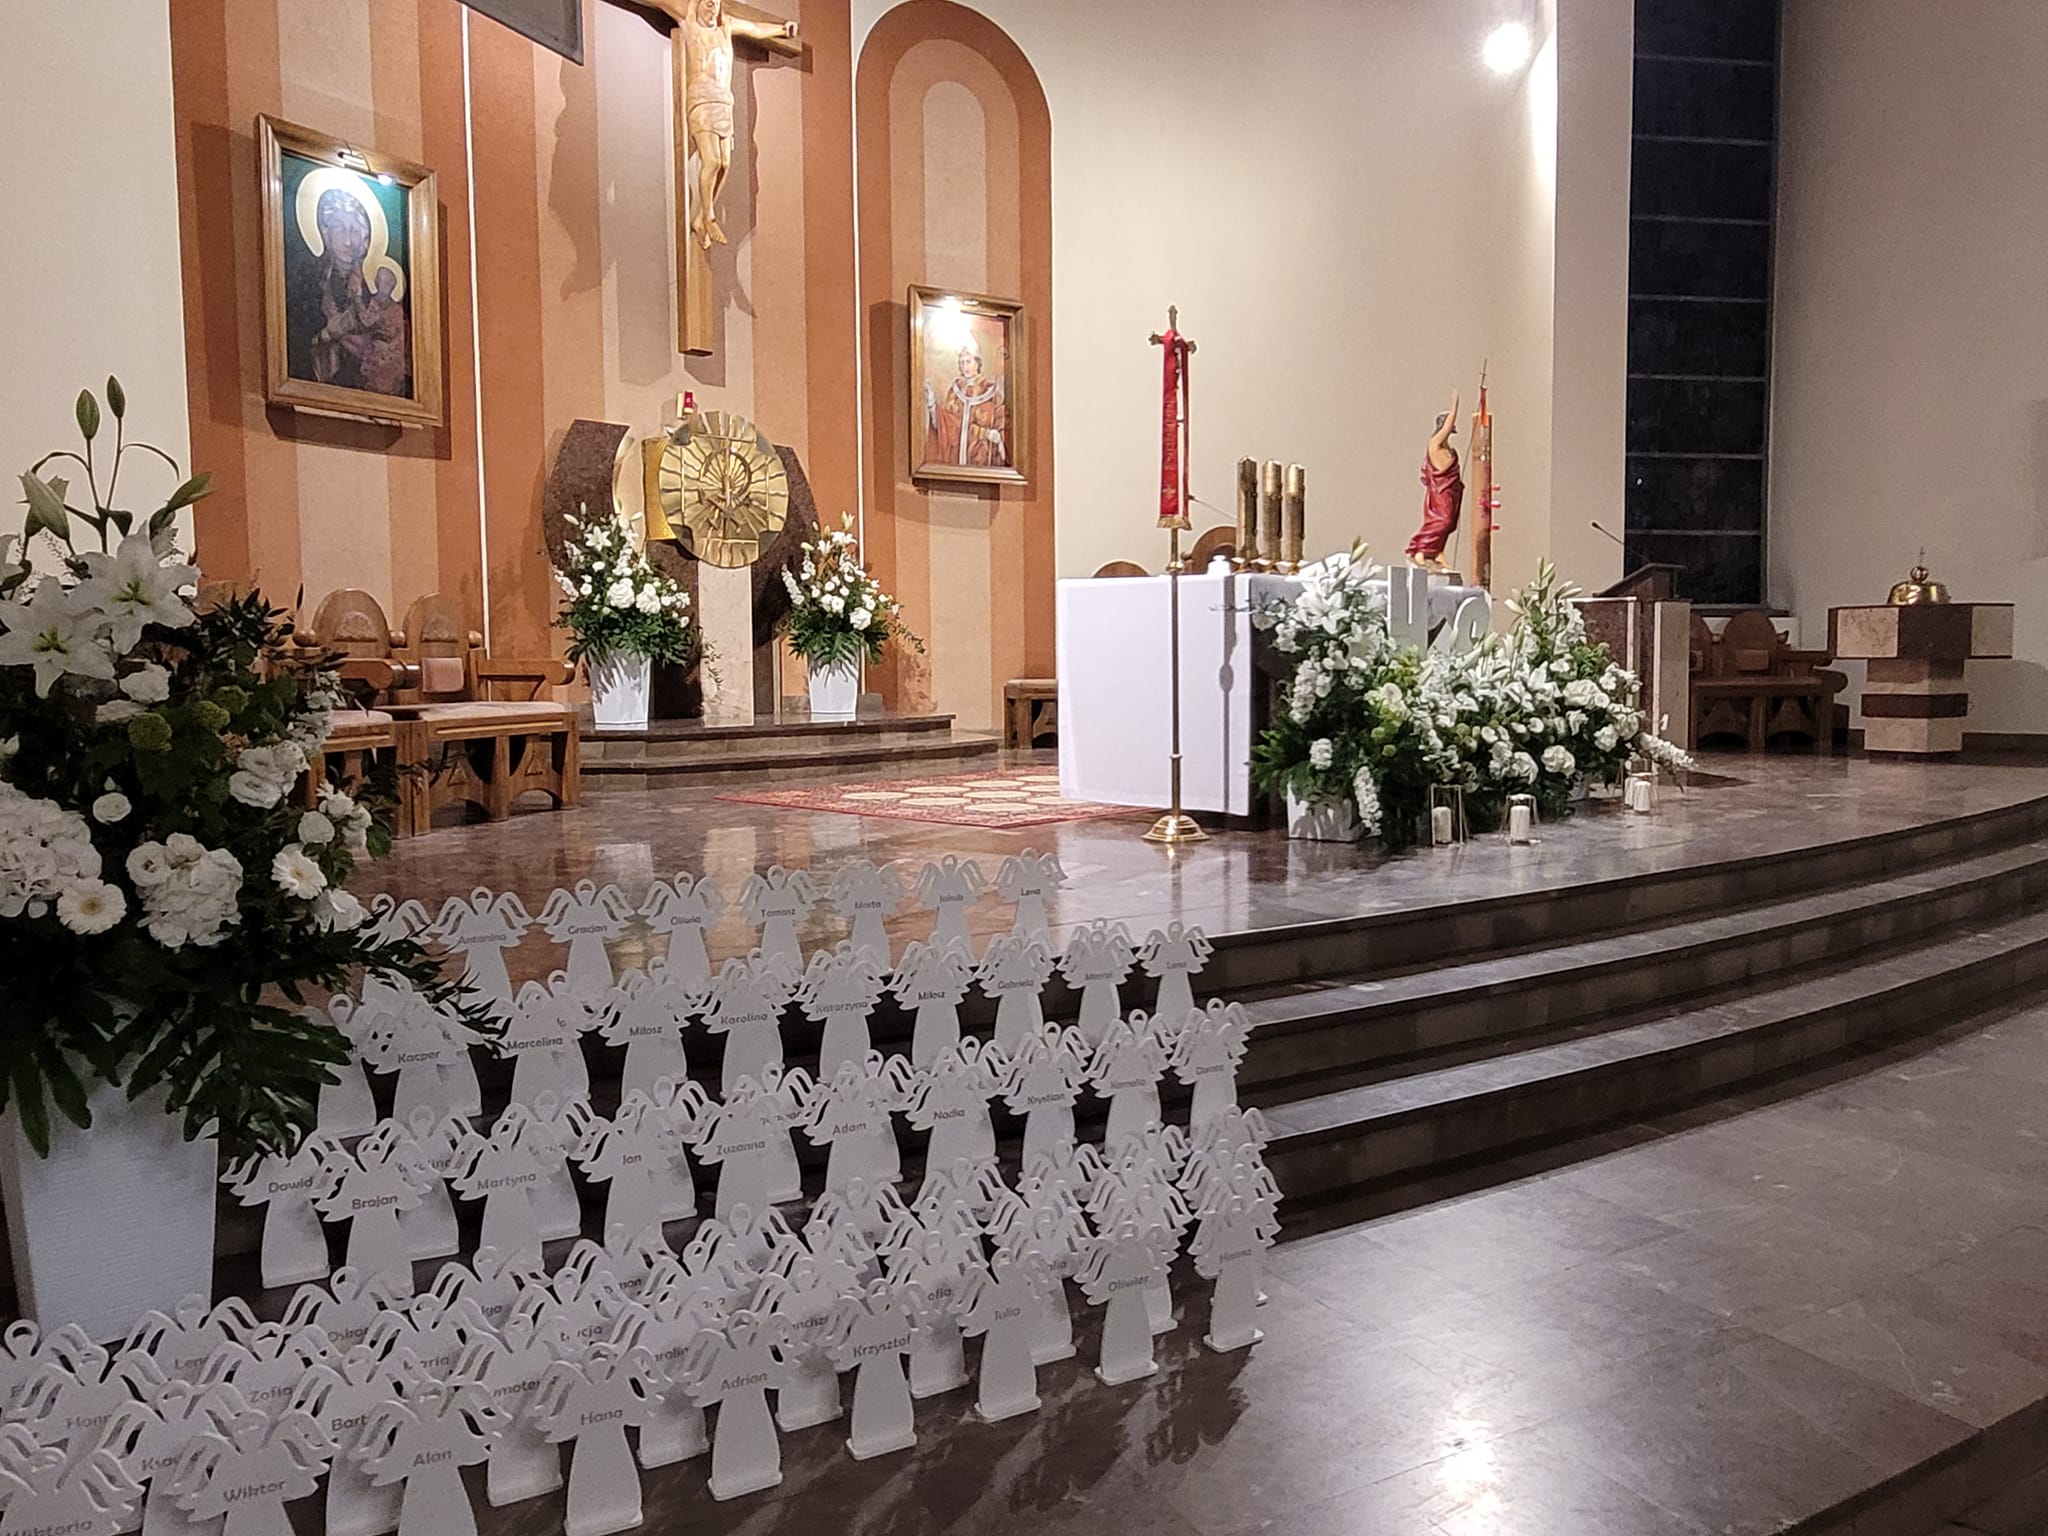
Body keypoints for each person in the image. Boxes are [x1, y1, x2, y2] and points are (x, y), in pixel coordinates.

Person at [656, 0, 799, 249]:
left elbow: (755, 28)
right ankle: (709, 215)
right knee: (711, 160)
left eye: (716, 4)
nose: (712, 9)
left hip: (724, 101)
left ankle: (700, 217)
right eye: (707, 4)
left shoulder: (726, 27)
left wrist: (782, 29)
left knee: (724, 163)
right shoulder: (690, 23)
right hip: (701, 98)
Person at [924, 339, 1009, 469]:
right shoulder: (955, 390)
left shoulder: (990, 390)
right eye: (962, 362)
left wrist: (998, 436)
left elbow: (1001, 421)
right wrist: (932, 404)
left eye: (968, 362)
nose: (965, 367)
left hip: (981, 457)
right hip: (955, 458)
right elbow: (946, 424)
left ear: (977, 362)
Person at [1407, 390, 1465, 570]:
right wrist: (1454, 406)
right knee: (1442, 520)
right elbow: (1447, 427)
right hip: (1440, 491)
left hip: (1451, 491)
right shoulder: (1435, 444)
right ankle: (1421, 550)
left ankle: (1437, 552)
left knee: (1450, 523)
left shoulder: (1448, 448)